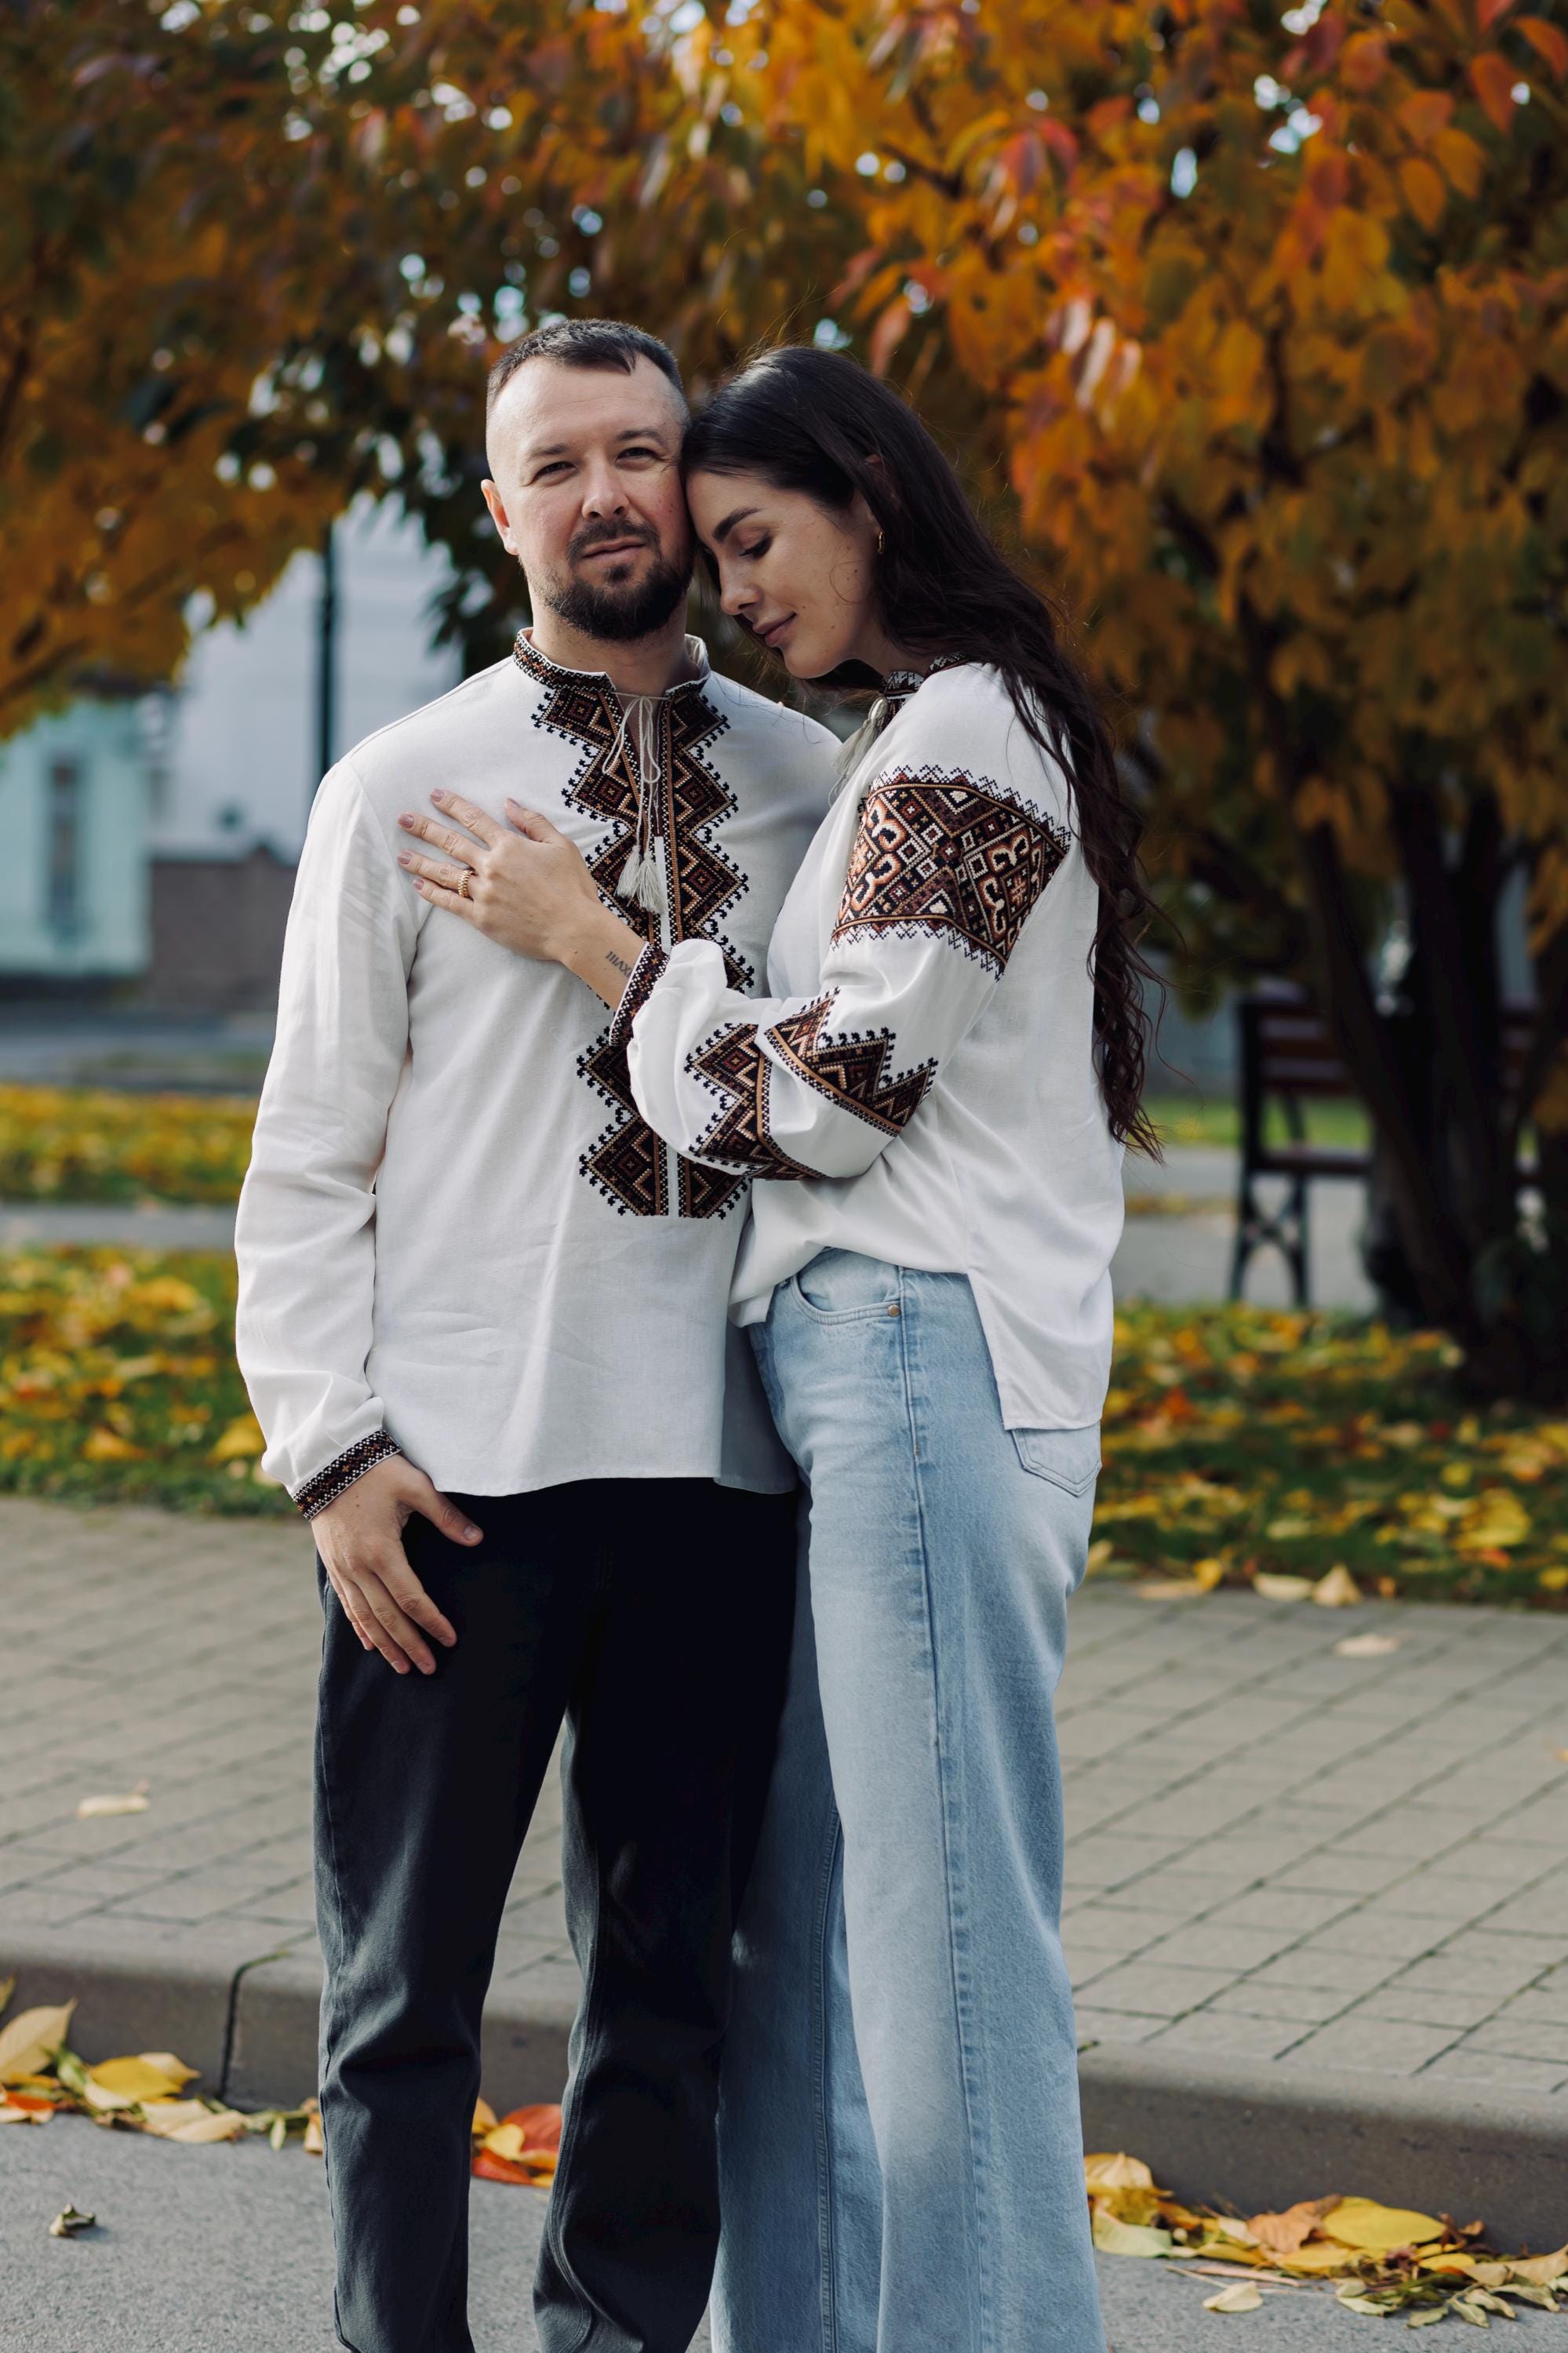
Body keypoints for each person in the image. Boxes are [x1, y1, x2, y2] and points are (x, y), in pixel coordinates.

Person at [399, 342, 1160, 2353]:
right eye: (717, 556)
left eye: (753, 541)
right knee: (800, 1950)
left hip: (922, 1366)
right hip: (856, 1380)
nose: (733, 592)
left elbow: (832, 1096)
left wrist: (600, 944)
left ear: (868, 499)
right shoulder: (911, 739)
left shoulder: (965, 741)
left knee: (944, 1961)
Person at [233, 319, 839, 2353]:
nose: (603, 496)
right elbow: (308, 1154)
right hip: (451, 1489)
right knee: (402, 1998)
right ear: (499, 513)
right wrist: (331, 1453)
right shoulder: (397, 789)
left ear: (695, 480)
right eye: (556, 466)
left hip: (722, 1480)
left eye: (637, 454)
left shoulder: (810, 787)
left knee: (670, 1996)